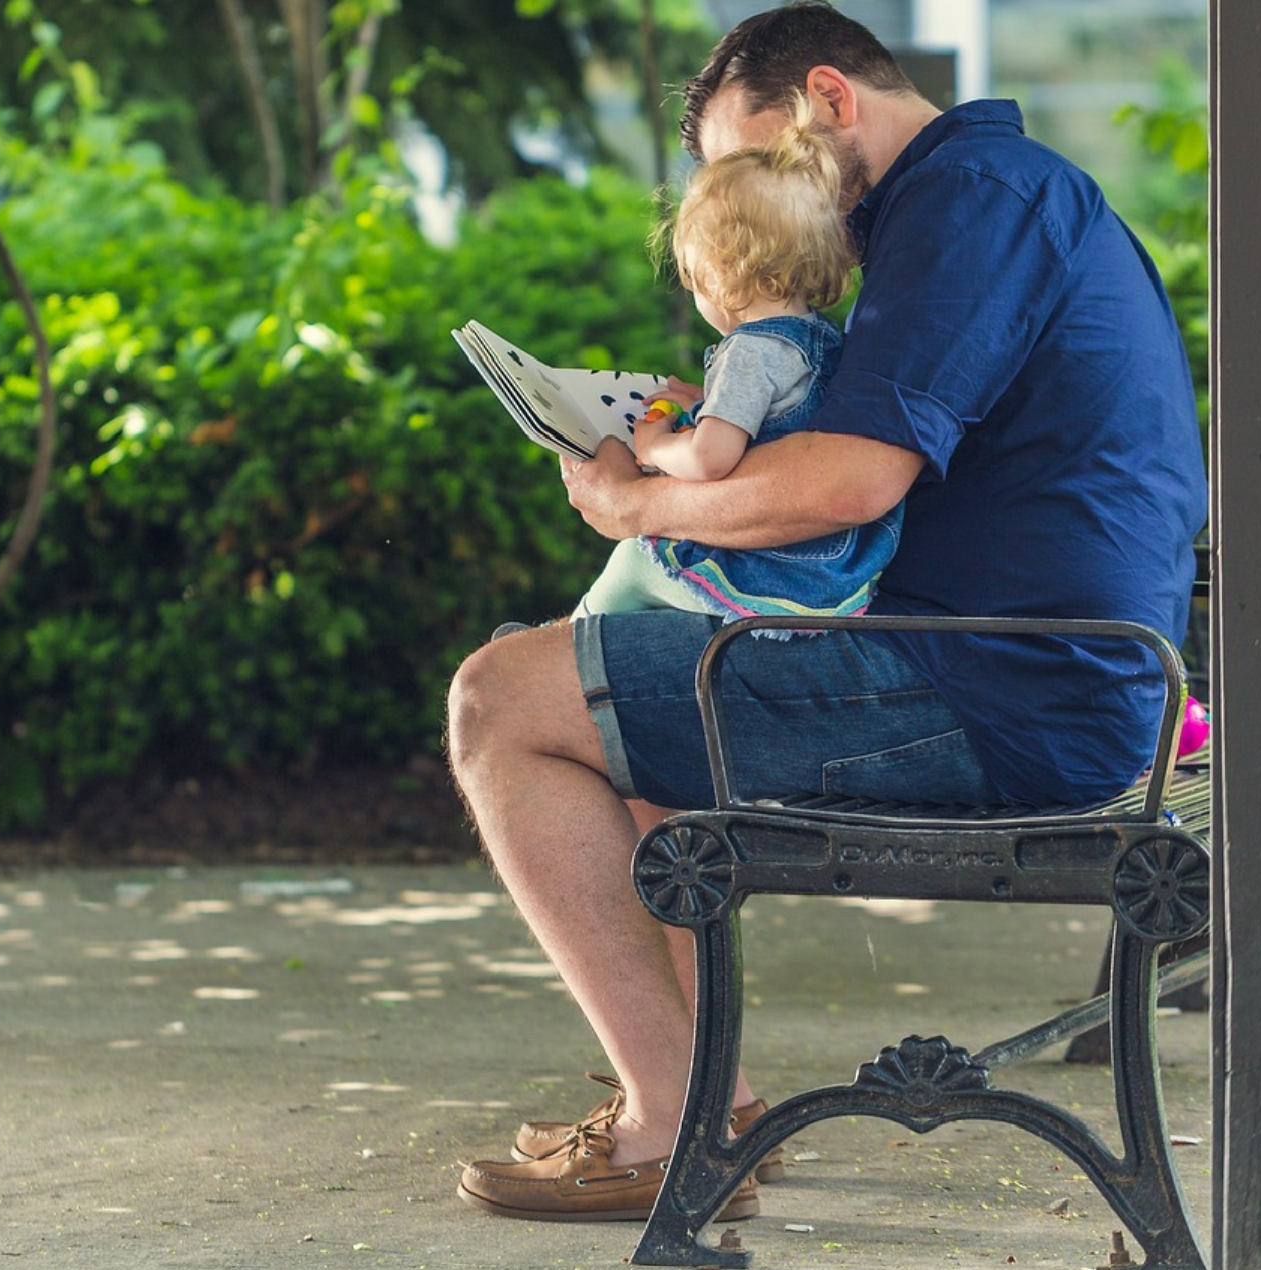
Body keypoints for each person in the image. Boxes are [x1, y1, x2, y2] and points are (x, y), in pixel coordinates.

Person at [447, 0, 1208, 1224]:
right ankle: (713, 1110)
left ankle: (658, 1123)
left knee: (500, 699)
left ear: (828, 100)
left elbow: (851, 483)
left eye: (756, 158)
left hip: (1002, 693)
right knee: (620, 699)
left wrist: (635, 507)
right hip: (1023, 671)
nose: (757, 199)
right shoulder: (970, 200)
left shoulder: (971, 203)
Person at [573, 102, 901, 624]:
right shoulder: (818, 338)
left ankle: (568, 638)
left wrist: (657, 444)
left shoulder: (749, 351)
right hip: (837, 567)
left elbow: (710, 460)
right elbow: (773, 421)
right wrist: (706, 403)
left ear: (718, 272)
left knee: (635, 562)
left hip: (779, 571)